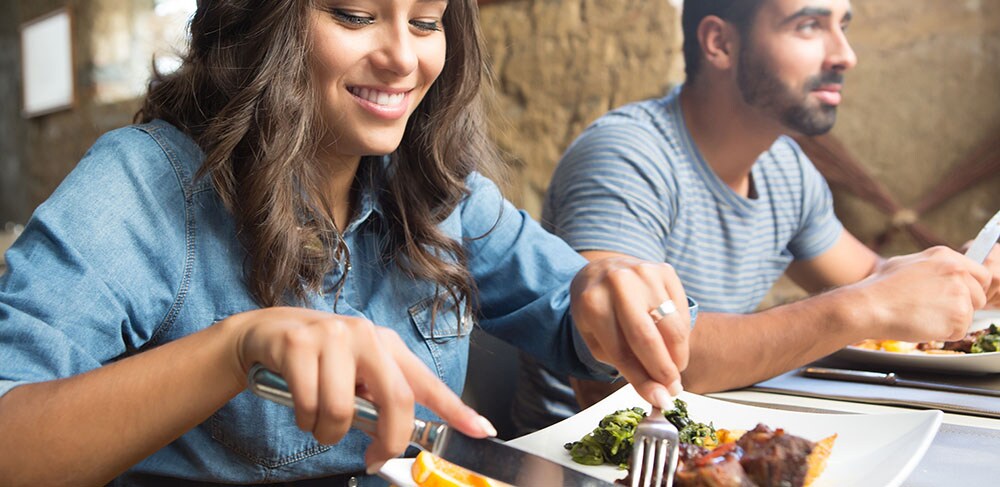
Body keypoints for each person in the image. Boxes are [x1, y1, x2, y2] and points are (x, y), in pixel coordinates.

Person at [0, 1, 695, 485]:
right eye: (354, 15)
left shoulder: (440, 192)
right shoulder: (141, 184)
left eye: (426, 22)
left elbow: (572, 315)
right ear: (259, 19)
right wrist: (236, 348)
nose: (402, 57)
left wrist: (605, 297)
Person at [512, 0, 999, 435]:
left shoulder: (785, 168)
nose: (845, 55)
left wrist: (966, 271)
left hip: (712, 441)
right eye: (809, 25)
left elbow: (877, 280)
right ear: (720, 42)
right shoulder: (626, 155)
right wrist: (861, 307)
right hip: (585, 455)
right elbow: (632, 357)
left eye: (843, 26)